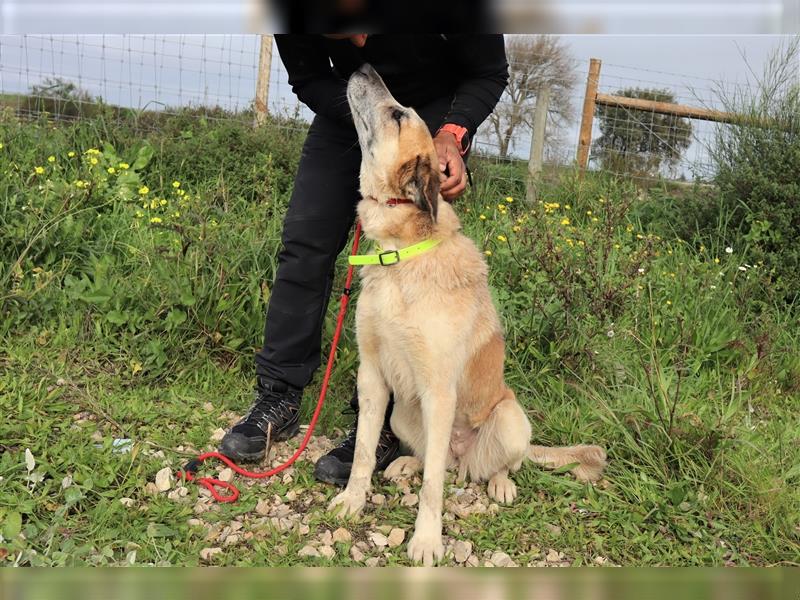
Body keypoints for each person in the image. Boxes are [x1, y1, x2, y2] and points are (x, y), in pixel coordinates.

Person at [219, 34, 508, 486]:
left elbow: (489, 71)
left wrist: (452, 133)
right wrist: (367, 131)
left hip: (431, 115)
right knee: (304, 243)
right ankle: (278, 396)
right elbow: (308, 76)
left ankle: (389, 422)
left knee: (415, 265)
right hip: (350, 106)